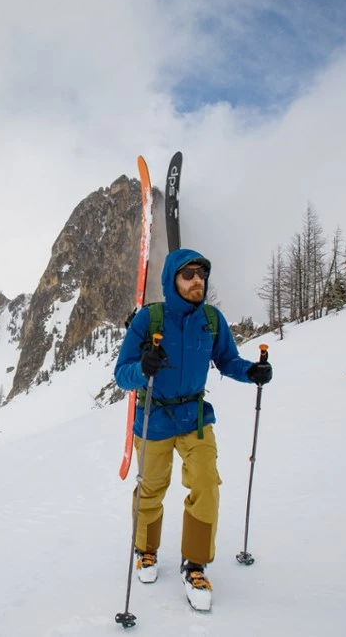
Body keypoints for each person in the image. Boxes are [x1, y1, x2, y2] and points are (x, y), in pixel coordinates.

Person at [113, 248, 272, 605]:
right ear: (172, 280)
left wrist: (251, 372)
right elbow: (122, 374)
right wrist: (144, 368)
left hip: (195, 419)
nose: (197, 280)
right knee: (151, 487)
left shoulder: (211, 321)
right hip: (153, 417)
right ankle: (146, 550)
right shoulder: (148, 320)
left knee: (206, 485)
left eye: (201, 274)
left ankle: (195, 564)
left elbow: (228, 361)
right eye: (189, 274)